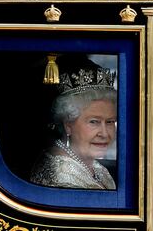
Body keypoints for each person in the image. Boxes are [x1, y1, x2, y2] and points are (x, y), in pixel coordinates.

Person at [30, 61, 117, 190]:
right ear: (68, 125)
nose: (104, 134)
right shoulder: (63, 179)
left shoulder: (88, 163)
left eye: (110, 121)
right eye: (94, 122)